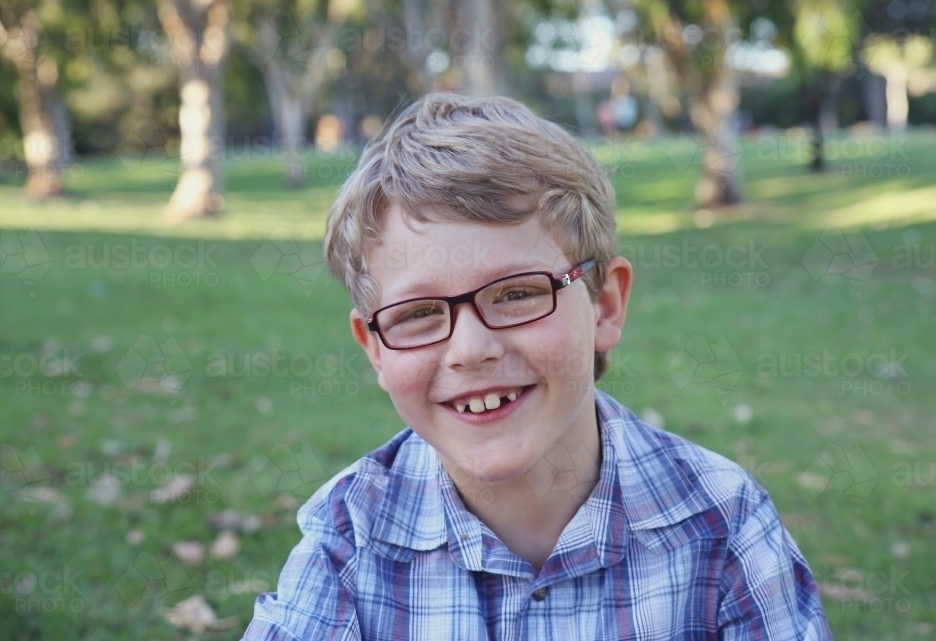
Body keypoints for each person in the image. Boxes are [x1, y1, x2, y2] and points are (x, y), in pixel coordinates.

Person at [242, 93, 833, 640]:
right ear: (374, 346)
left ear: (604, 305)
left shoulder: (722, 527)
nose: (471, 349)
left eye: (518, 293)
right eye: (418, 312)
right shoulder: (349, 539)